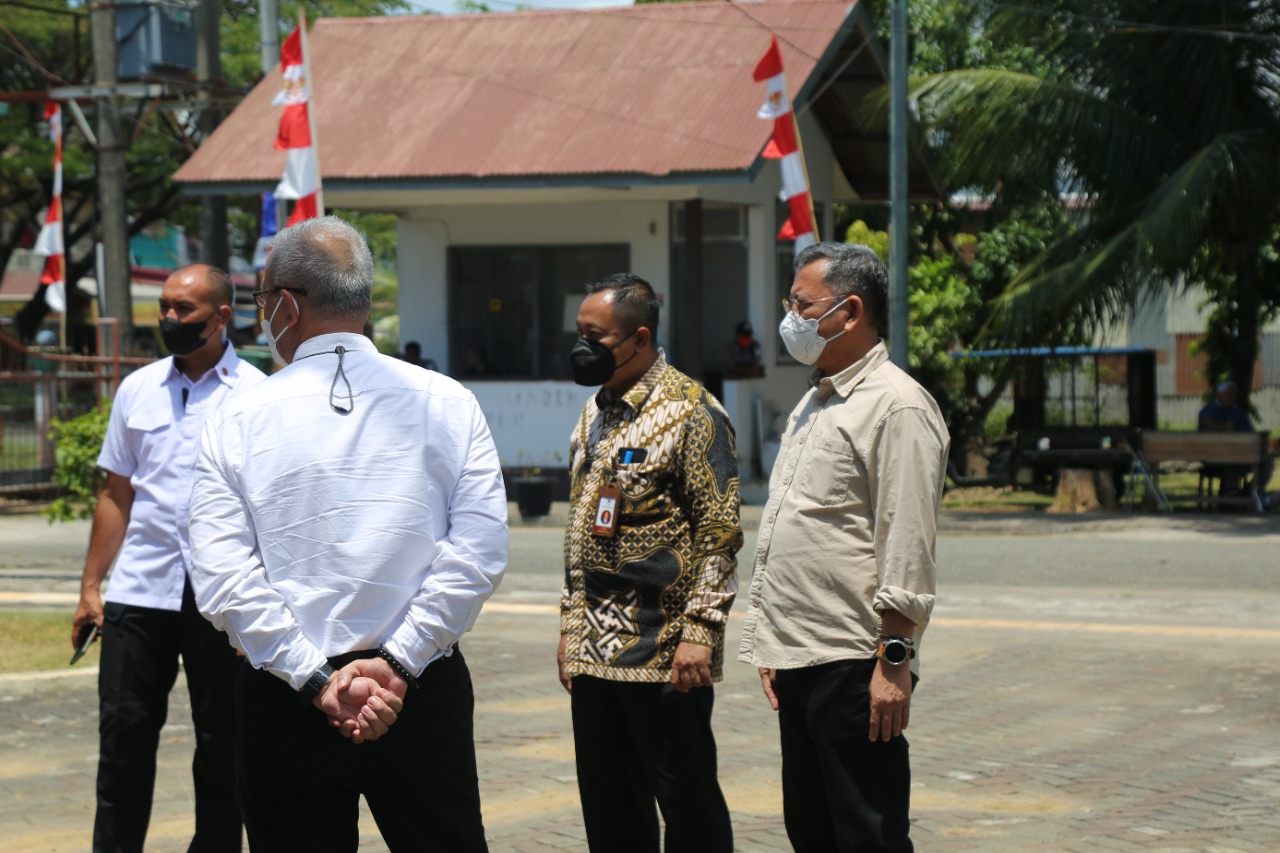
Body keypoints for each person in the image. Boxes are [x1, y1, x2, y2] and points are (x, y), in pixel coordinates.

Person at [187, 216, 507, 852]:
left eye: (260, 303)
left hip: (286, 695)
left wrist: (316, 681)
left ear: (286, 304)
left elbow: (223, 575)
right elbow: (479, 553)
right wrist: (396, 663)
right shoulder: (448, 401)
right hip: (417, 690)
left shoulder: (236, 416)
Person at [738, 242, 950, 853]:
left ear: (849, 312)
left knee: (867, 834)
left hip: (855, 663)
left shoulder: (897, 405)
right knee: (813, 831)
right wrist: (774, 643)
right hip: (802, 655)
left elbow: (906, 543)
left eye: (802, 305)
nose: (790, 319)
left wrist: (893, 661)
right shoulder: (816, 399)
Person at [71, 263, 266, 853]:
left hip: (221, 596)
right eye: (164, 308)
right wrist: (90, 586)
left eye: (185, 311)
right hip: (141, 590)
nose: (169, 320)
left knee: (223, 745)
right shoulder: (138, 389)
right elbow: (116, 492)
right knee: (124, 740)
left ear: (223, 316)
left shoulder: (258, 395)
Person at [557, 272, 743, 853]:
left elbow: (720, 531)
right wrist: (569, 627)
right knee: (610, 806)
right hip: (594, 651)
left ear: (638, 339)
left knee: (686, 804)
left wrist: (702, 632)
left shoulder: (693, 412)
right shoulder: (595, 411)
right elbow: (579, 531)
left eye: (596, 335)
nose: (582, 347)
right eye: (579, 332)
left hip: (666, 651)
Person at [1198, 379, 1273, 500]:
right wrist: (1224, 427)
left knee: (1267, 460)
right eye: (1228, 395)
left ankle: (1252, 489)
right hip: (1215, 455)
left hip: (1243, 452)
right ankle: (1231, 492)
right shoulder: (1209, 410)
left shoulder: (1239, 412)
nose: (1231, 397)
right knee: (1232, 458)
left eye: (1233, 395)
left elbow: (1251, 432)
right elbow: (1208, 425)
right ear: (1219, 395)